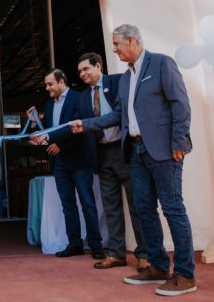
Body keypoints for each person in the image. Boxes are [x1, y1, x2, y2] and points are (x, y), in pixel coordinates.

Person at [71, 24, 196, 296]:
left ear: (131, 40)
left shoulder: (162, 63)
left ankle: (185, 274)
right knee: (143, 209)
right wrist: (87, 124)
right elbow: (117, 116)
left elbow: (180, 104)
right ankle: (158, 266)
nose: (114, 50)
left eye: (116, 44)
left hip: (164, 150)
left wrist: (179, 141)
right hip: (136, 152)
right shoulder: (126, 78)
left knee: (173, 209)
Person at [76, 52, 148, 271]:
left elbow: (123, 113)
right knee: (111, 207)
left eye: (86, 69)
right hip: (101, 154)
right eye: (79, 72)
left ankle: (145, 254)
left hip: (124, 151)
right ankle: (116, 254)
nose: (82, 74)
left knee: (137, 205)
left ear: (98, 66)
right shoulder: (82, 97)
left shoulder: (118, 81)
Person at [30, 68, 103, 259]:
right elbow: (49, 132)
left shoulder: (79, 98)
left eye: (50, 84)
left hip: (79, 159)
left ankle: (96, 245)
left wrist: (59, 145)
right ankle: (75, 244)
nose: (47, 88)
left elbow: (79, 128)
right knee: (67, 205)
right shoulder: (48, 105)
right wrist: (35, 126)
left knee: (87, 203)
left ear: (62, 81)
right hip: (59, 163)